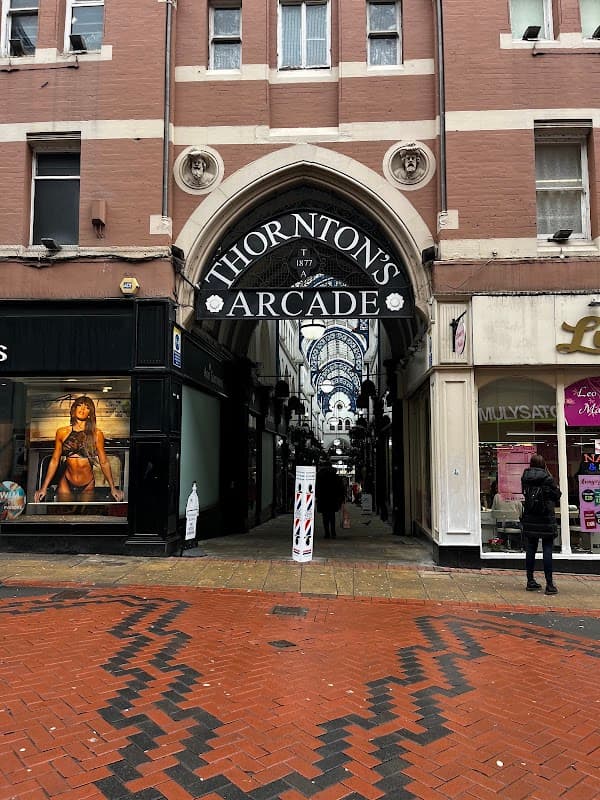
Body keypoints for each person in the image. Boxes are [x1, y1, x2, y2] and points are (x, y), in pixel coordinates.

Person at [34, 396, 124, 503]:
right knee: (64, 516)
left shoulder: (96, 434)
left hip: (87, 484)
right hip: (66, 481)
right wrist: (44, 487)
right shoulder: (62, 432)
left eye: (87, 407)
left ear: (90, 413)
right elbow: (54, 460)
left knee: (85, 517)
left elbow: (104, 462)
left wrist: (113, 487)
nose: (82, 409)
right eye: (79, 406)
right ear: (74, 409)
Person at [520, 454, 561, 594]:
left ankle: (530, 580)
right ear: (543, 464)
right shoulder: (547, 478)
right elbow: (557, 495)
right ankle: (549, 584)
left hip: (530, 517)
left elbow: (525, 494)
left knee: (530, 549)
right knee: (547, 548)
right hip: (545, 518)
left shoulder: (525, 478)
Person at [316, 460, 345, 539]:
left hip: (323, 498)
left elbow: (317, 487)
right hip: (333, 498)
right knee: (332, 516)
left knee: (325, 516)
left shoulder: (320, 476)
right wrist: (342, 498)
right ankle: (333, 532)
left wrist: (317, 496)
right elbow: (341, 488)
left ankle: (327, 533)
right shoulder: (335, 476)